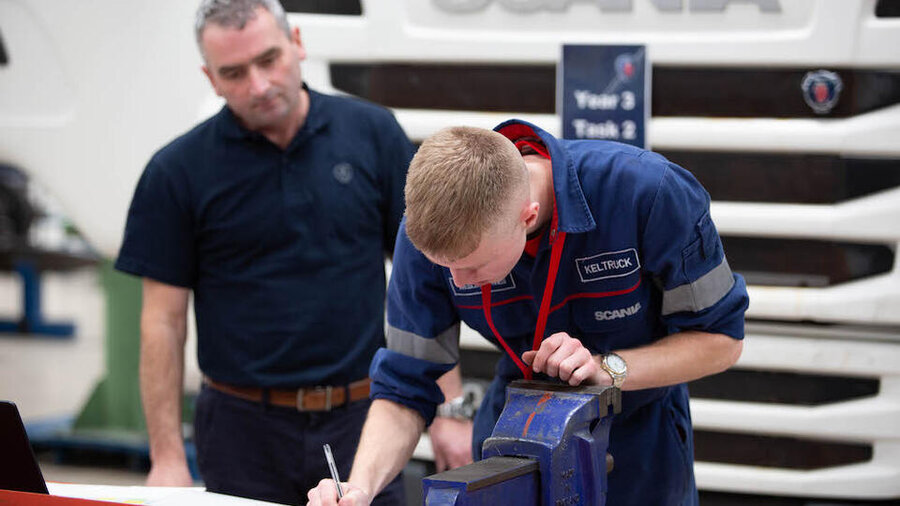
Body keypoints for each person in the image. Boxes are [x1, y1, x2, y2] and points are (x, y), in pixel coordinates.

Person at [307, 120, 750, 506]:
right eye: (447, 269)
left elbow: (722, 342)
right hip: (511, 439)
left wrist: (608, 368)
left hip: (638, 439)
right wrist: (360, 486)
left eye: (473, 266)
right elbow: (405, 385)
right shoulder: (429, 235)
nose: (457, 282)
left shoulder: (649, 193)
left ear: (528, 215)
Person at [114, 0, 419, 503]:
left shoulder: (373, 134)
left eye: (268, 60)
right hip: (239, 433)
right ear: (209, 78)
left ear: (296, 43)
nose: (258, 85)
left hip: (362, 420)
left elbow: (422, 275)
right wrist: (166, 458)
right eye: (233, 73)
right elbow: (162, 323)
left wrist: (448, 403)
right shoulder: (177, 171)